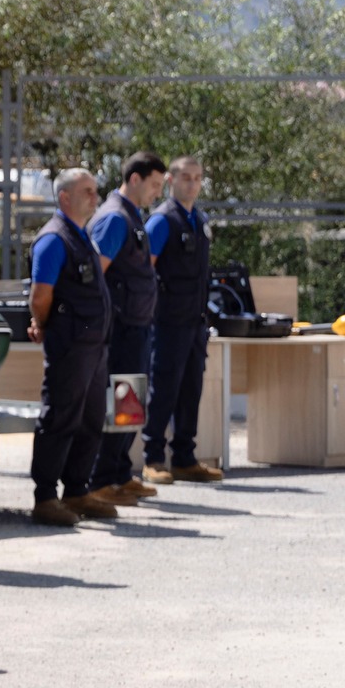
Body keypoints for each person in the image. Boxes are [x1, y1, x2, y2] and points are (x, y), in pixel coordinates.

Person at [26, 168, 120, 526]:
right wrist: (44, 324)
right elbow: (41, 295)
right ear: (65, 197)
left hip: (93, 346)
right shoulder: (54, 239)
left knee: (91, 419)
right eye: (87, 191)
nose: (95, 198)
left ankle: (78, 490)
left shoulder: (82, 235)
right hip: (70, 345)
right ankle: (45, 496)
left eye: (95, 190)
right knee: (60, 419)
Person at [88, 151, 168, 502]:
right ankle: (101, 481)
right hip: (119, 330)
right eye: (154, 184)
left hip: (136, 326)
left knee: (129, 405)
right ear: (135, 179)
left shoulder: (131, 216)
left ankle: (120, 474)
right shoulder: (114, 219)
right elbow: (96, 275)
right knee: (118, 402)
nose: (157, 193)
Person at [144, 156, 223, 483]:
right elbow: (144, 269)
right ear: (171, 181)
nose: (192, 184)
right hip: (167, 321)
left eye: (197, 178)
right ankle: (153, 458)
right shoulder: (162, 220)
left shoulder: (199, 219)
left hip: (195, 321)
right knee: (163, 388)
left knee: (191, 388)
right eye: (186, 177)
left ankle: (185, 458)